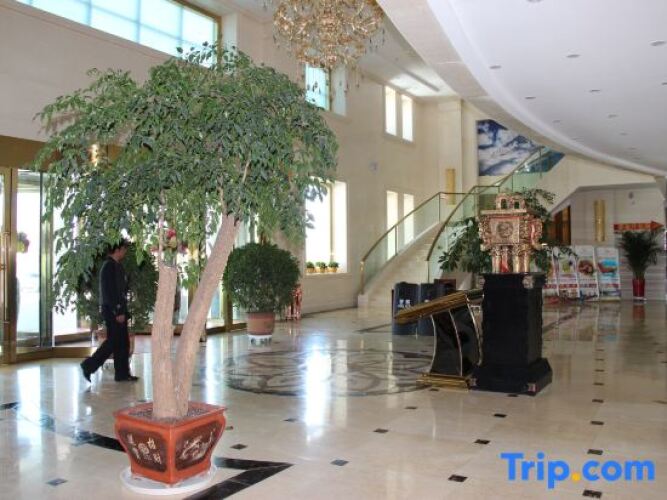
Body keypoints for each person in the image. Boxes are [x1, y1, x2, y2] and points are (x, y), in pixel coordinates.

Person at [81, 239, 138, 382]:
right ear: (117, 250)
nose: (125, 252)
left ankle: (122, 374)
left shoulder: (116, 266)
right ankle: (89, 366)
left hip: (118, 309)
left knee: (122, 342)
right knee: (113, 342)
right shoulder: (109, 267)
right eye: (124, 249)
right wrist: (118, 311)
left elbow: (121, 289)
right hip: (112, 310)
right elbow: (110, 292)